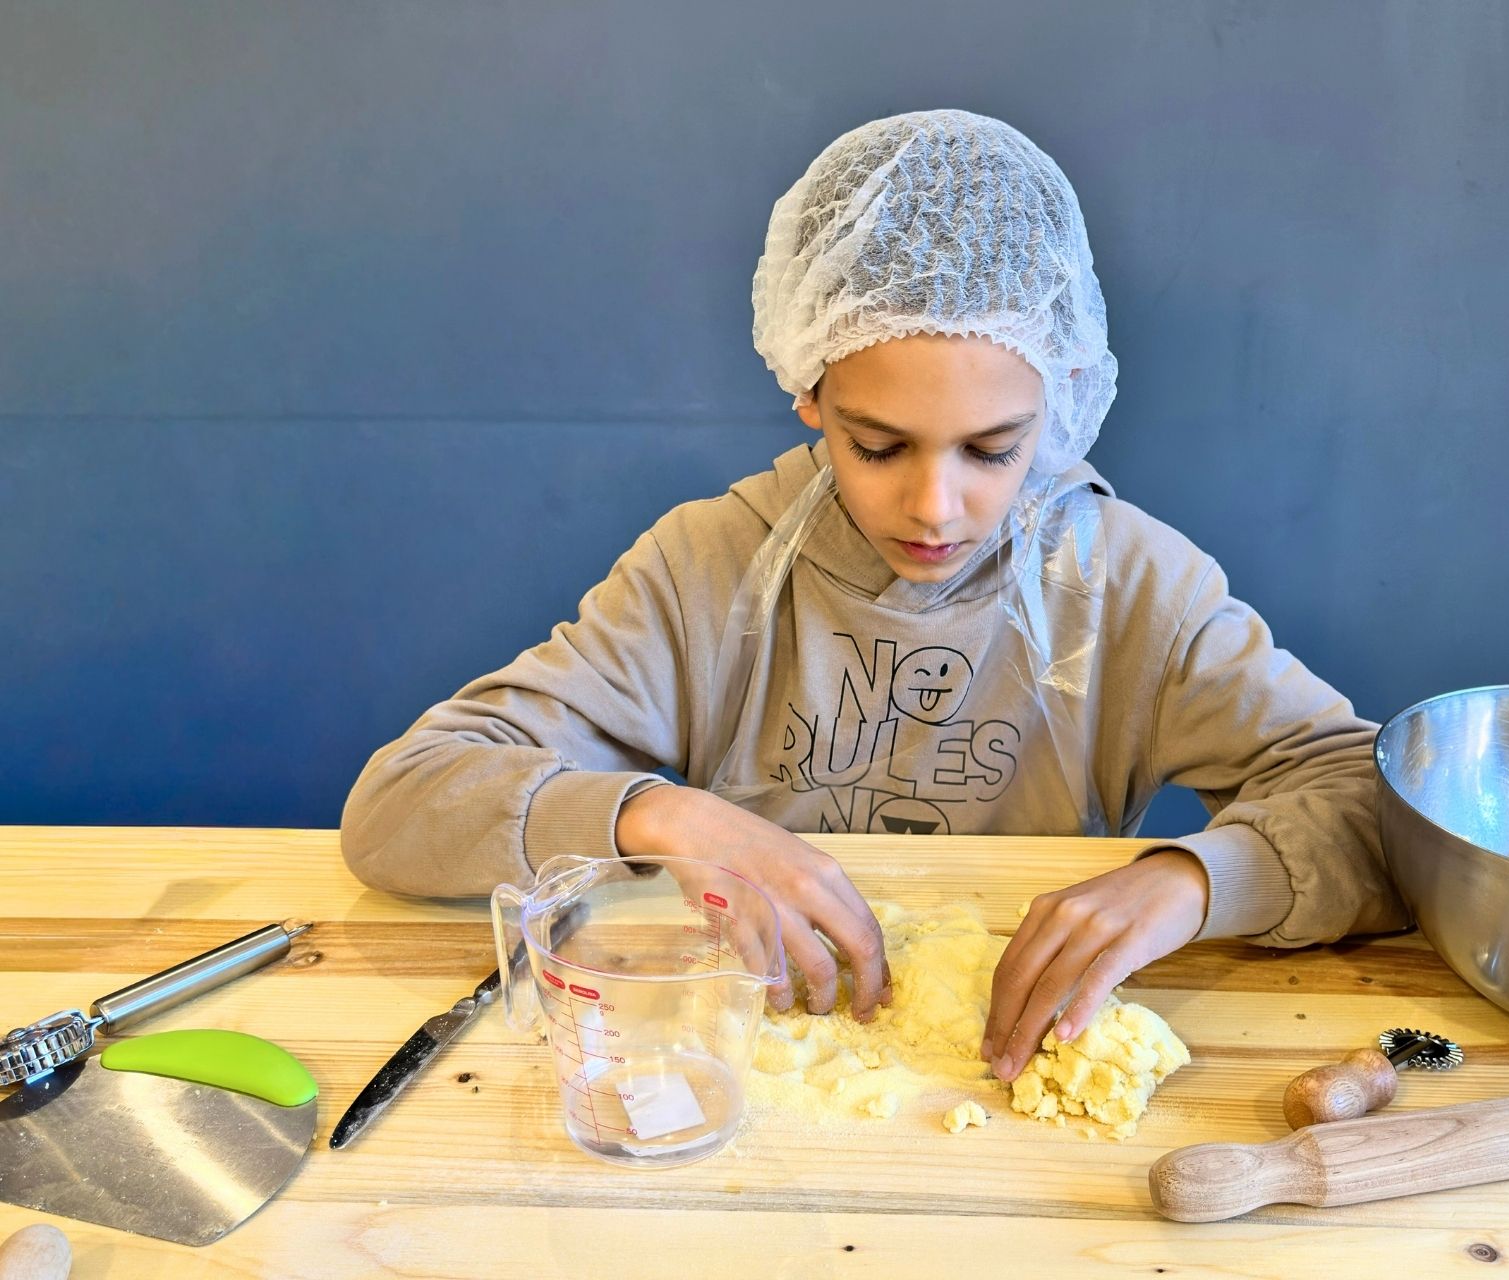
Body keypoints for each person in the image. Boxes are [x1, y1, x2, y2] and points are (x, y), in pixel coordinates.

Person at [341, 109, 1406, 1081]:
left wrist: (1192, 878)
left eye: (995, 449)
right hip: (769, 1068)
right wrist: (659, 814)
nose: (935, 504)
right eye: (878, 443)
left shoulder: (1127, 585)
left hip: (1003, 1075)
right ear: (807, 386)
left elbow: (1376, 808)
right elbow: (400, 803)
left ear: (1063, 399)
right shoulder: (708, 568)